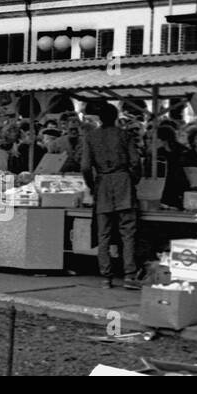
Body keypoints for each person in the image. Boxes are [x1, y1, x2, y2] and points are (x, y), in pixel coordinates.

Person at [80, 102, 141, 290]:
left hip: (103, 184)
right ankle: (130, 275)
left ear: (99, 118)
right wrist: (132, 181)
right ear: (115, 117)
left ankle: (106, 277)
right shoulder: (125, 135)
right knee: (128, 232)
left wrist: (93, 186)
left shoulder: (91, 137)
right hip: (123, 183)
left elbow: (85, 166)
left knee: (103, 234)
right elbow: (136, 162)